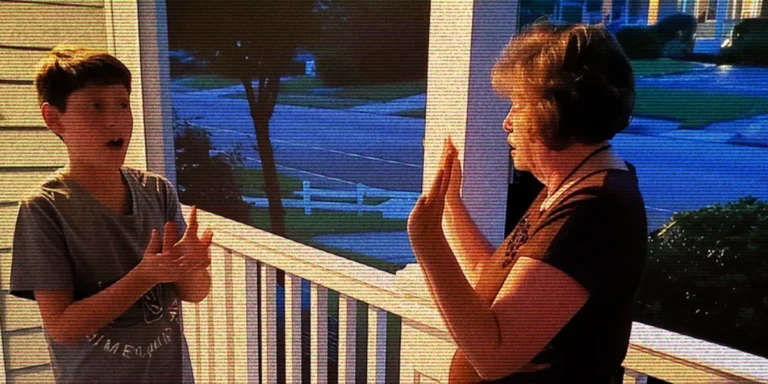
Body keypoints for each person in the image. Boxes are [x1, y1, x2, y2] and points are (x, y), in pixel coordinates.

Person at [407, 21, 647, 383]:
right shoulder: (568, 186)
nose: (506, 122)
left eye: (519, 105)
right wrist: (451, 205)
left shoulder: (593, 208)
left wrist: (427, 242)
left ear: (556, 111)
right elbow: (492, 280)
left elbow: (493, 355)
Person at [10, 46, 214, 383]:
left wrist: (190, 269)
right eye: (95, 106)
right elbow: (61, 327)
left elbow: (195, 292)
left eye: (122, 104)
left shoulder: (157, 191)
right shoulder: (43, 209)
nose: (114, 119)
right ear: (54, 118)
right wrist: (144, 277)